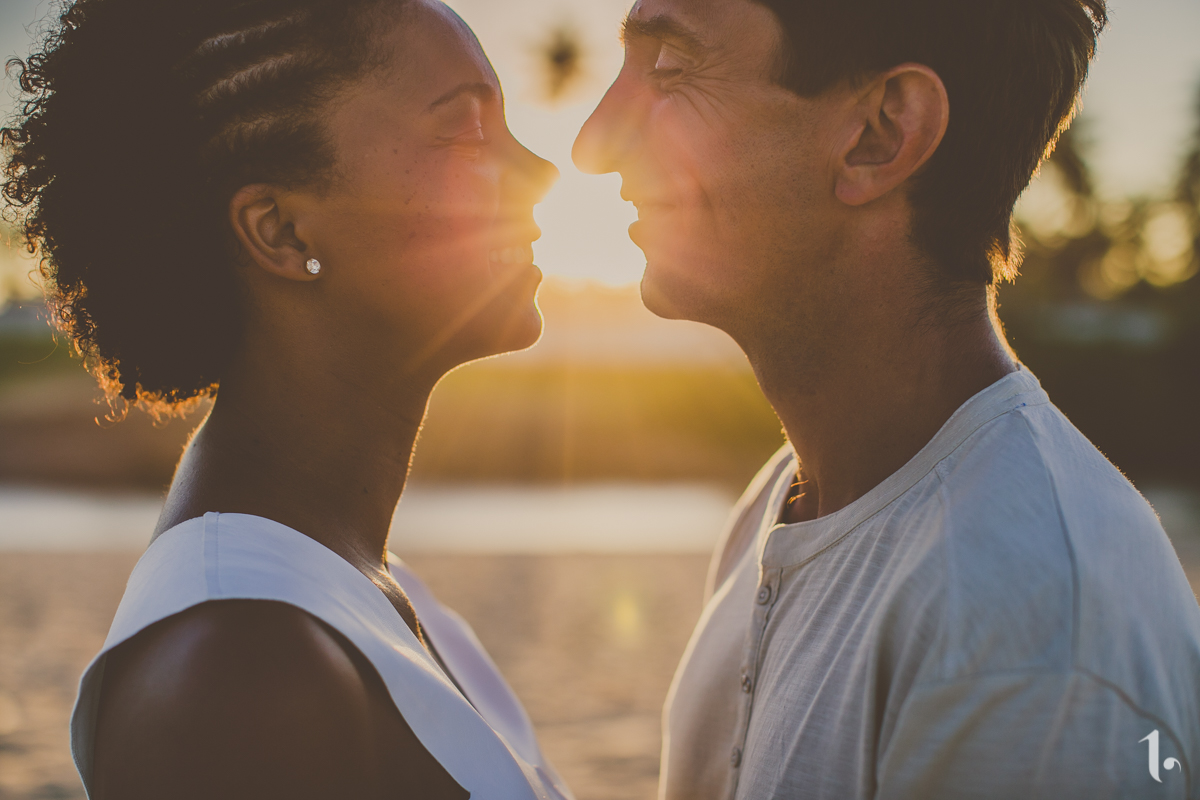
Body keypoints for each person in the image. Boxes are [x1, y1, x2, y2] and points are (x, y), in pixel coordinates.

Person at [573, 0, 1200, 797]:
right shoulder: (789, 494)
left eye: (671, 68)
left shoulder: (1028, 636)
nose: (592, 142)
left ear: (881, 133)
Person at [2, 0, 568, 798]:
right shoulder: (238, 677)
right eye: (466, 129)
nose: (539, 170)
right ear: (282, 232)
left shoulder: (365, 590)